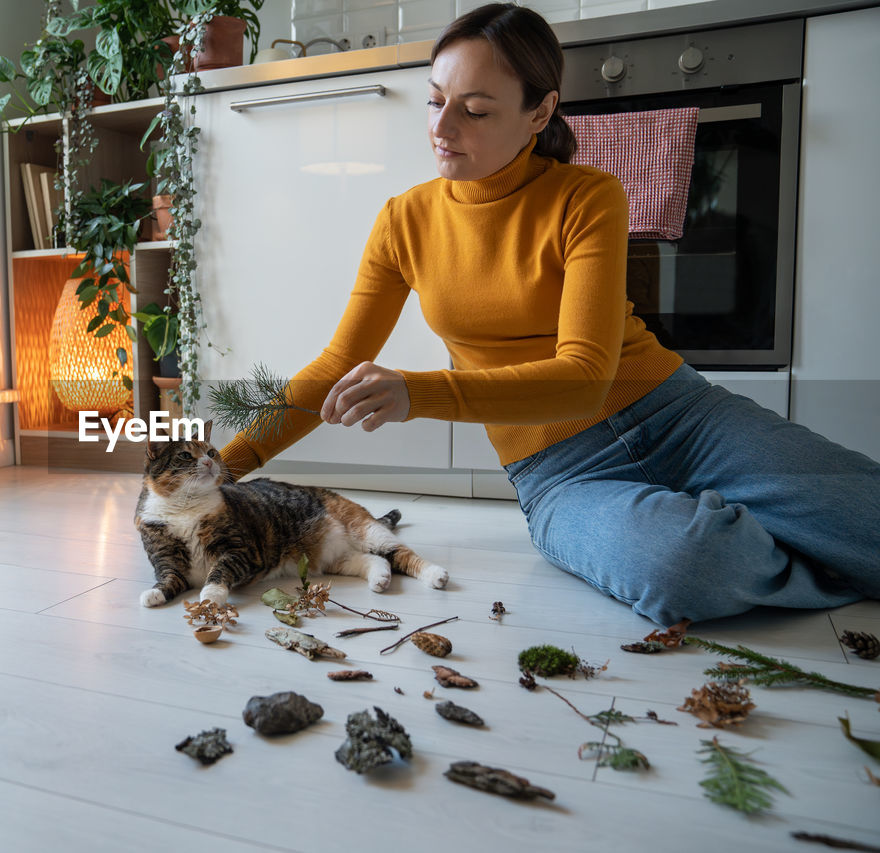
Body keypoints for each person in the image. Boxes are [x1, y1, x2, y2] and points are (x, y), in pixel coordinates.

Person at [217, 2, 880, 626]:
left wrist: (417, 391)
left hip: (683, 416)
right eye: (435, 102)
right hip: (560, 474)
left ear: (540, 113)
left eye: (474, 110)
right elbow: (337, 365)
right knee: (688, 564)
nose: (443, 129)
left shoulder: (588, 195)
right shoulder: (404, 221)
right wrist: (220, 471)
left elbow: (587, 373)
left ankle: (780, 530)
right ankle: (784, 544)